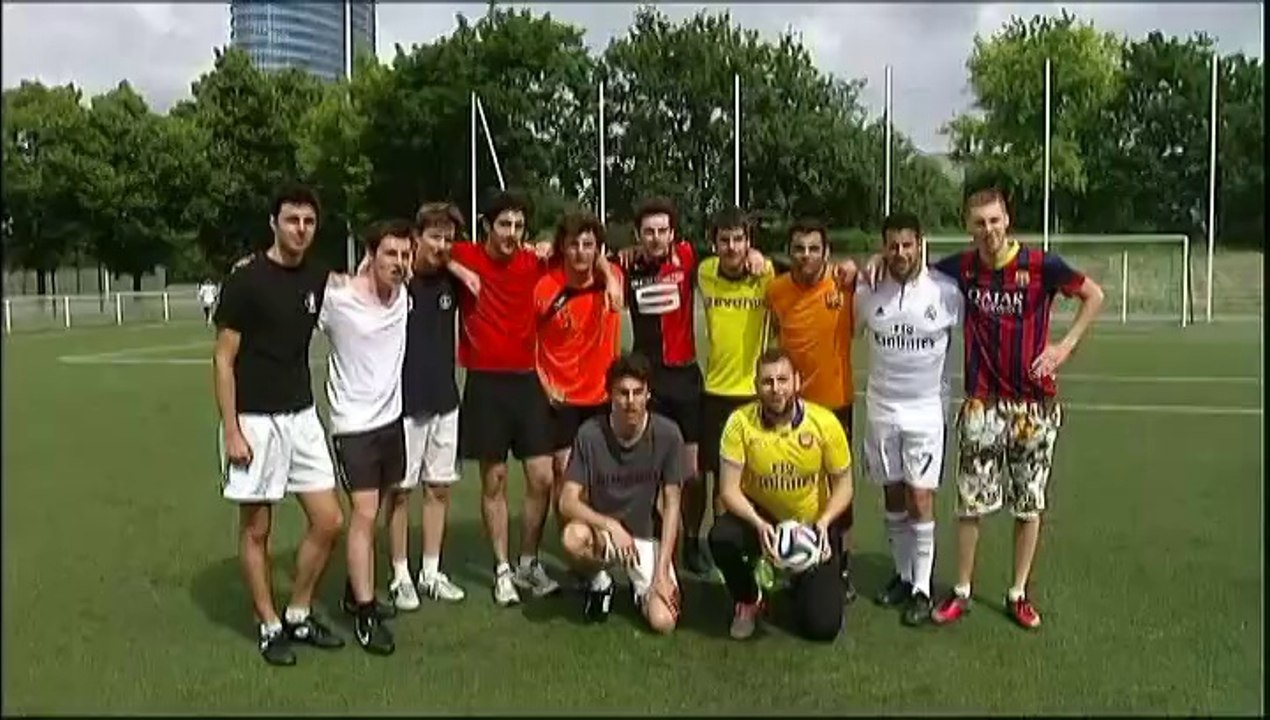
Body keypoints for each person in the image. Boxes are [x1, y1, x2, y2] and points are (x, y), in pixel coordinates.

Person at [866, 188, 1104, 629]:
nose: (988, 230)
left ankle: (1018, 593)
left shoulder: (1041, 265)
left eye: (994, 220)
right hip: (982, 404)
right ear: (968, 226)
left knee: (1027, 505)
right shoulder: (962, 270)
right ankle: (961, 591)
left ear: (1007, 219)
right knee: (970, 505)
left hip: (1033, 407)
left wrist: (1064, 347)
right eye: (979, 223)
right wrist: (876, 261)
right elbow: (912, 272)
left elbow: (1094, 295)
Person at [449, 190, 621, 606]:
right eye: (504, 224)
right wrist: (458, 268)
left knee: (543, 479)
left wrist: (606, 270)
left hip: (527, 383)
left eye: (518, 226)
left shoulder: (534, 261)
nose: (511, 233)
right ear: (487, 225)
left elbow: (583, 248)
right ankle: (502, 570)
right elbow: (424, 248)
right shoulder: (467, 254)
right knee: (495, 481)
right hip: (486, 384)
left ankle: (528, 561)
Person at [212, 183, 346, 666]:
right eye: (292, 220)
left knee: (329, 520)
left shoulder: (316, 276)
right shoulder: (245, 281)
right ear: (274, 223)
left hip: (302, 416)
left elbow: (367, 279)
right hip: (254, 420)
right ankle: (269, 624)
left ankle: (298, 611)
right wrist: (232, 430)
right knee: (257, 529)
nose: (301, 229)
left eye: (309, 222)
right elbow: (224, 360)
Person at [617, 197, 765, 575]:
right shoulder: (626, 265)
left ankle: (694, 541)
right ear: (637, 235)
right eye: (647, 232)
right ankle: (648, 543)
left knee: (694, 472)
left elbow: (734, 255)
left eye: (662, 230)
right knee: (648, 469)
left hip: (685, 380)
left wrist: (758, 256)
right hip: (646, 380)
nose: (655, 238)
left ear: (673, 234)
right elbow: (594, 265)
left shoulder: (688, 258)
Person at [854, 211, 961, 626]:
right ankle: (901, 575)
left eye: (907, 245)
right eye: (892, 246)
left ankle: (922, 586)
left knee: (921, 497)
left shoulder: (947, 293)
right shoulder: (869, 291)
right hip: (882, 408)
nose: (900, 253)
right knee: (893, 494)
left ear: (921, 244)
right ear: (884, 248)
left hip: (926, 411)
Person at [709, 348, 855, 642]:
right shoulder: (740, 423)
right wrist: (760, 525)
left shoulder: (825, 423)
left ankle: (800, 578)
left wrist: (824, 523)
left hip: (811, 527)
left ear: (797, 382)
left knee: (823, 628)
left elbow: (845, 486)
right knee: (722, 537)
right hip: (762, 519)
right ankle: (748, 599)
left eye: (783, 380)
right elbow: (728, 490)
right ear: (756, 386)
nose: (776, 389)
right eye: (767, 382)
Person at [320, 219, 413, 656]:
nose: (398, 262)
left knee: (381, 506)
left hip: (391, 422)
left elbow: (444, 253)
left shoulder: (403, 296)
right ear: (370, 255)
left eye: (404, 254)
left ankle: (352, 590)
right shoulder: (336, 299)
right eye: (390, 253)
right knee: (363, 512)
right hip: (353, 426)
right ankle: (364, 612)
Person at [765, 219, 860, 600]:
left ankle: (841, 565)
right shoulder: (776, 290)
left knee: (838, 489)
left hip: (835, 405)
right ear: (789, 253)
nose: (806, 256)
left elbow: (879, 271)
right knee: (789, 484)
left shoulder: (844, 284)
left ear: (826, 252)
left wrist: (856, 269)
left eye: (813, 249)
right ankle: (789, 561)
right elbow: (773, 333)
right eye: (799, 249)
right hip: (790, 408)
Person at [557, 353, 685, 632]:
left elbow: (673, 505)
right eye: (623, 393)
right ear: (610, 395)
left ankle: (644, 589)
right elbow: (566, 501)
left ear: (648, 394)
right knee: (573, 538)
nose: (631, 401)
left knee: (663, 623)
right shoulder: (590, 435)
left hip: (644, 539)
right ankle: (600, 579)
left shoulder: (668, 434)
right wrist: (609, 525)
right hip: (606, 537)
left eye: (638, 393)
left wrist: (662, 571)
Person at [385, 203, 469, 612]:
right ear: (416, 237)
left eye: (449, 238)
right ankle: (400, 575)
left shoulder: (450, 283)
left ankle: (431, 572)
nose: (442, 245)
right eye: (435, 236)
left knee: (438, 489)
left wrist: (458, 267)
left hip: (445, 402)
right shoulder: (397, 283)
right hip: (403, 405)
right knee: (399, 493)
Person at [696, 206, 774, 569]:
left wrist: (760, 258)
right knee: (719, 483)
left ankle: (762, 547)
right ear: (714, 244)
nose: (731, 247)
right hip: (715, 392)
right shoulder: (705, 272)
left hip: (754, 394)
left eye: (739, 240)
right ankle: (724, 550)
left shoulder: (766, 273)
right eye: (724, 240)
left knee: (759, 479)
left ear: (749, 243)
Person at [533, 211, 623, 524]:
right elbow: (526, 343)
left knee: (601, 478)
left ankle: (596, 550)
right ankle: (574, 550)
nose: (580, 251)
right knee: (565, 475)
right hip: (562, 399)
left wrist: (610, 277)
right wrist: (544, 385)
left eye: (588, 245)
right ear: (562, 247)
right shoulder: (545, 287)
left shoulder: (613, 279)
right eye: (573, 245)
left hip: (601, 396)